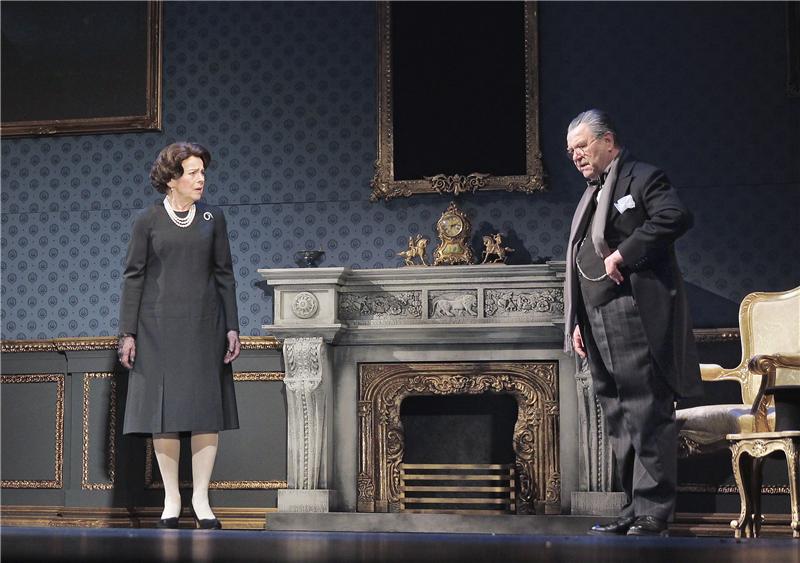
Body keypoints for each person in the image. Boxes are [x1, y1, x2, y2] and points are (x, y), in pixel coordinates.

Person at [563, 110, 702, 536]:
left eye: (582, 146)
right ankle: (634, 505)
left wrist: (624, 254)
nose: (576, 156)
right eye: (571, 151)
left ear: (608, 141)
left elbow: (675, 216)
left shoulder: (641, 178)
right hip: (596, 316)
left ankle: (654, 511)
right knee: (618, 412)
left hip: (632, 310)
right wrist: (577, 321)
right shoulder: (592, 194)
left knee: (644, 407)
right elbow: (580, 257)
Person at [117, 142, 241, 530]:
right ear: (172, 179)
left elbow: (224, 274)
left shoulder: (213, 218)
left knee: (205, 412)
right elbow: (133, 276)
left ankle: (201, 498)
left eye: (203, 172)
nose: (201, 178)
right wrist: (128, 332)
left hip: (205, 325)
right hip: (157, 329)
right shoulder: (147, 220)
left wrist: (232, 326)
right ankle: (172, 498)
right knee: (164, 414)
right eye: (193, 172)